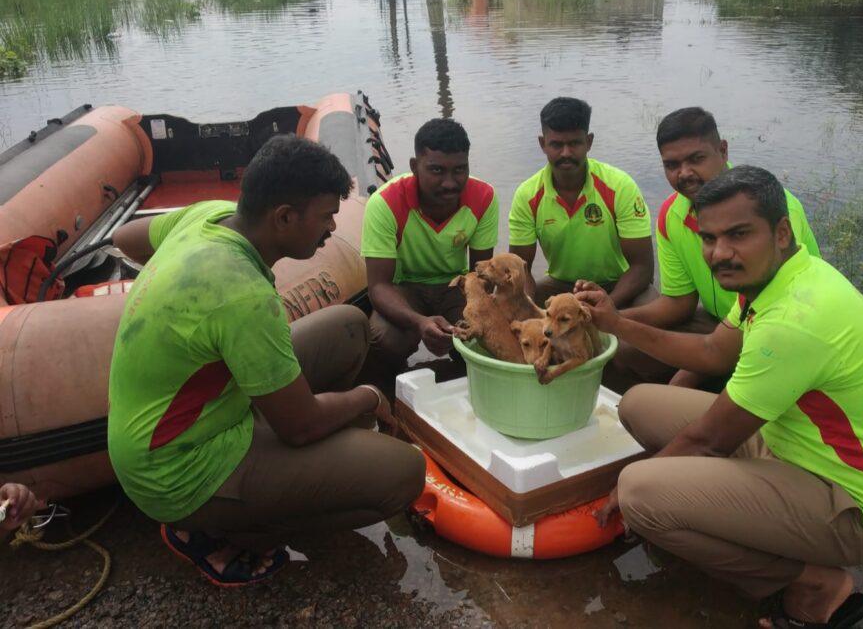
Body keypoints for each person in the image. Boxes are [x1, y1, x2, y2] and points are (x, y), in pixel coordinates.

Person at [578, 166, 863, 628]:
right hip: (794, 447)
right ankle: (728, 510)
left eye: (739, 234)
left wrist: (628, 485)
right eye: (709, 237)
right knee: (639, 403)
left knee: (640, 494)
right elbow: (711, 351)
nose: (720, 253)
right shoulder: (778, 278)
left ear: (782, 232)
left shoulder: (794, 320)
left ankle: (813, 580)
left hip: (853, 504)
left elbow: (708, 441)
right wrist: (616, 324)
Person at [107, 134, 424, 587]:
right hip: (180, 468)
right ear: (284, 217)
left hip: (184, 420)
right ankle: (215, 531)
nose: (332, 229)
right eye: (326, 217)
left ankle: (286, 476)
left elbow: (126, 237)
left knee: (349, 327)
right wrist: (368, 396)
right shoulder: (243, 297)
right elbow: (301, 427)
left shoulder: (208, 218)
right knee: (404, 473)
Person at [613, 107, 820, 387]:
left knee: (678, 389)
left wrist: (691, 372)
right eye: (672, 165)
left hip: (779, 332)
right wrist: (607, 320)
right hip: (721, 322)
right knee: (620, 350)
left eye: (696, 159)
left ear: (722, 151)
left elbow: (778, 315)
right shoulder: (671, 215)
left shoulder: (770, 209)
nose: (684, 173)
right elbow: (678, 303)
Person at [362, 118, 498, 364]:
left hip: (455, 285)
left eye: (459, 170)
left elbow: (482, 278)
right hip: (405, 287)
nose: (449, 182)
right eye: (437, 170)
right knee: (385, 339)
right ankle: (389, 392)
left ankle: (463, 378)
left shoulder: (483, 197)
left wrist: (468, 324)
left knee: (483, 336)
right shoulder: (385, 203)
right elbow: (378, 287)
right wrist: (420, 322)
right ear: (415, 166)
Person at [508, 97, 655, 308]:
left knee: (651, 304)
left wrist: (604, 307)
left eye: (574, 143)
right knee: (509, 306)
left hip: (617, 285)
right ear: (543, 144)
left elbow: (642, 268)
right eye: (557, 144)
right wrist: (528, 310)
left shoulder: (620, 186)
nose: (566, 153)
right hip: (560, 286)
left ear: (589, 141)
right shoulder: (527, 195)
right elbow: (520, 270)